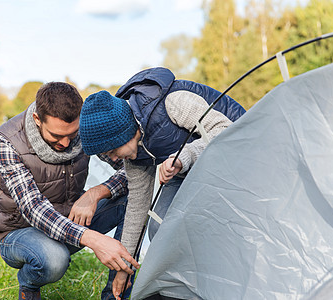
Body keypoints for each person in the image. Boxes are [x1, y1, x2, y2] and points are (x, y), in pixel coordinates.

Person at [78, 67, 246, 299]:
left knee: (208, 226)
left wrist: (183, 157)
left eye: (112, 151)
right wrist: (123, 270)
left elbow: (226, 130)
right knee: (161, 226)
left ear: (124, 133)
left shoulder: (172, 103)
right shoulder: (135, 154)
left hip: (239, 158)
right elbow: (137, 210)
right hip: (190, 170)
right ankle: (185, 290)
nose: (114, 160)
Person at [0, 82, 139, 300]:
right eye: (57, 136)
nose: (67, 143)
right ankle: (29, 283)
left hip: (68, 222)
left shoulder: (82, 129)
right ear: (37, 119)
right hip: (19, 231)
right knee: (54, 259)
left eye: (73, 133)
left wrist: (96, 192)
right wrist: (95, 240)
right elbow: (34, 209)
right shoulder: (5, 142)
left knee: (131, 200)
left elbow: (133, 169)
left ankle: (114, 295)